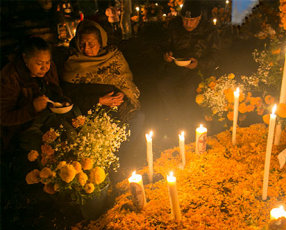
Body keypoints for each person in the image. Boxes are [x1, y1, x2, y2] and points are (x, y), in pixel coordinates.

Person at [62, 19, 144, 169]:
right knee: (107, 128)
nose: (86, 48)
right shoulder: (73, 62)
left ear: (101, 42)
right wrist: (99, 100)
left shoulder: (113, 56)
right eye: (82, 43)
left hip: (117, 104)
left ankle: (125, 159)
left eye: (91, 44)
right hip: (90, 109)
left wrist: (123, 95)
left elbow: (125, 81)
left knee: (138, 118)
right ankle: (110, 165)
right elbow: (70, 96)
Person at [0, 36, 71, 153]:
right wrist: (32, 109)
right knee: (49, 149)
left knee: (70, 136)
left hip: (48, 116)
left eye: (47, 62)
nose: (45, 67)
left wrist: (61, 100)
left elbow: (55, 91)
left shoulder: (49, 68)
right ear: (25, 59)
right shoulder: (10, 78)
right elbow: (3, 117)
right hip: (23, 127)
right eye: (39, 63)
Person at [157, 1, 219, 130]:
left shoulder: (209, 31)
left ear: (199, 18)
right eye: (185, 20)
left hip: (200, 71)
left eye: (192, 20)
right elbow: (163, 46)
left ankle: (186, 123)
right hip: (176, 67)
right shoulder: (174, 27)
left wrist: (199, 64)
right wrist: (166, 55)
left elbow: (216, 56)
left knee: (188, 89)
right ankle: (177, 121)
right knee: (163, 85)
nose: (188, 24)